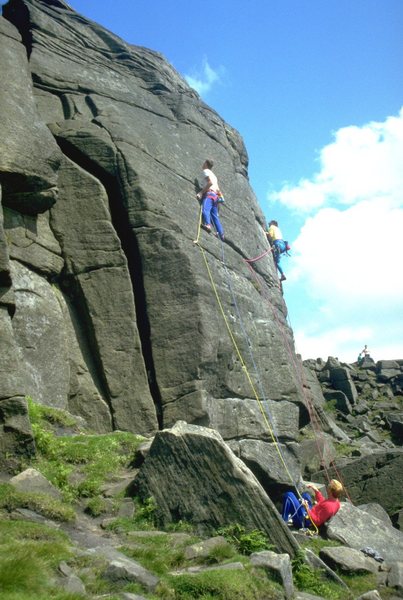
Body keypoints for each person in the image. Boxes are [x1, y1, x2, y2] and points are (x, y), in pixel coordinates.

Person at [196, 159, 225, 241]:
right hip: (215, 196)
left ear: (205, 164)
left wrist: (201, 193)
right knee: (215, 216)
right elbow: (217, 189)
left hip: (209, 195)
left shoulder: (205, 171)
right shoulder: (214, 176)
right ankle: (221, 233)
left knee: (206, 209)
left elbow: (210, 183)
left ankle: (207, 224)